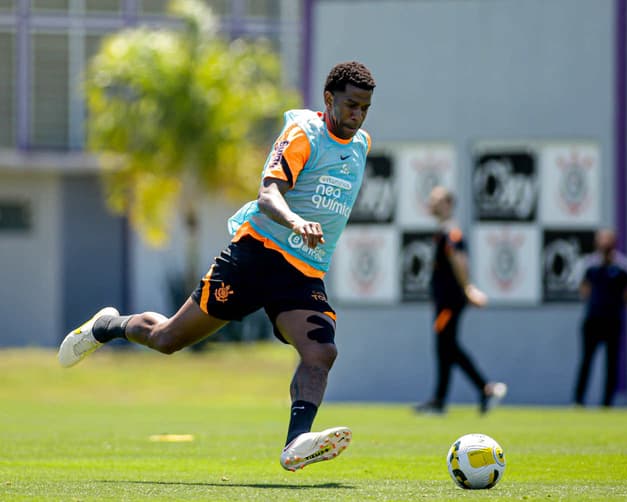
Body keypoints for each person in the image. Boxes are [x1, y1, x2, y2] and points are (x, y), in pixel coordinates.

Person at [58, 61, 376, 472]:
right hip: (256, 256)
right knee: (168, 338)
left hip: (302, 271)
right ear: (328, 98)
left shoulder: (361, 144)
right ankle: (108, 326)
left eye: (365, 108)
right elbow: (268, 193)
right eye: (350, 105)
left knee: (321, 350)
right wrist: (296, 221)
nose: (357, 115)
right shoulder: (303, 134)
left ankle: (296, 441)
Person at [414, 186, 507, 415]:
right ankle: (441, 400)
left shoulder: (451, 233)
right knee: (445, 348)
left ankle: (484, 388)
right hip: (444, 301)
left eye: (435, 200)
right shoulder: (443, 231)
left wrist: (468, 288)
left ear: (447, 204)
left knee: (448, 346)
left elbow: (459, 260)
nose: (431, 203)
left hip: (449, 301)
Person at [573, 228, 627, 407]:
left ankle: (607, 403)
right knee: (586, 361)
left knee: (611, 363)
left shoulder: (623, 268)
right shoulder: (591, 266)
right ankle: (578, 400)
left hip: (612, 321)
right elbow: (584, 290)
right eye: (602, 240)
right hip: (593, 320)